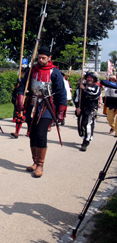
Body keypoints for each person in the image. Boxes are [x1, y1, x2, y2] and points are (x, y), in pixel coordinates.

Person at [15, 46, 67, 178]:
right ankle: (34, 161)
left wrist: (61, 111)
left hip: (47, 106)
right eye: (39, 58)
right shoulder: (32, 70)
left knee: (40, 134)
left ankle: (40, 165)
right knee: (32, 133)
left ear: (49, 58)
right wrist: (20, 99)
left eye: (43, 58)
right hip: (32, 105)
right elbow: (22, 86)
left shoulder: (55, 72)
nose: (41, 60)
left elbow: (61, 92)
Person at [74, 72, 102, 151]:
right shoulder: (79, 87)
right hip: (81, 109)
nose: (89, 79)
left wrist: (85, 89)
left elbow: (94, 95)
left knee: (88, 125)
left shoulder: (97, 88)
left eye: (91, 78)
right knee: (80, 126)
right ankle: (84, 136)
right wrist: (77, 107)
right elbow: (76, 98)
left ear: (94, 80)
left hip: (91, 109)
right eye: (88, 77)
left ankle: (86, 141)